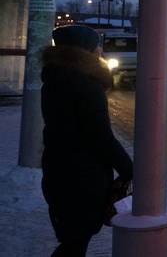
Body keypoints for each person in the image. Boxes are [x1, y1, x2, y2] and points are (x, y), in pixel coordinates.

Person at [41, 25, 133, 256]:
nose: (100, 50)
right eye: (96, 46)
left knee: (73, 240)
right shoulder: (86, 85)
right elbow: (101, 137)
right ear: (85, 51)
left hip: (59, 172)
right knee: (75, 245)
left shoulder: (55, 79)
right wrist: (129, 168)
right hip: (82, 180)